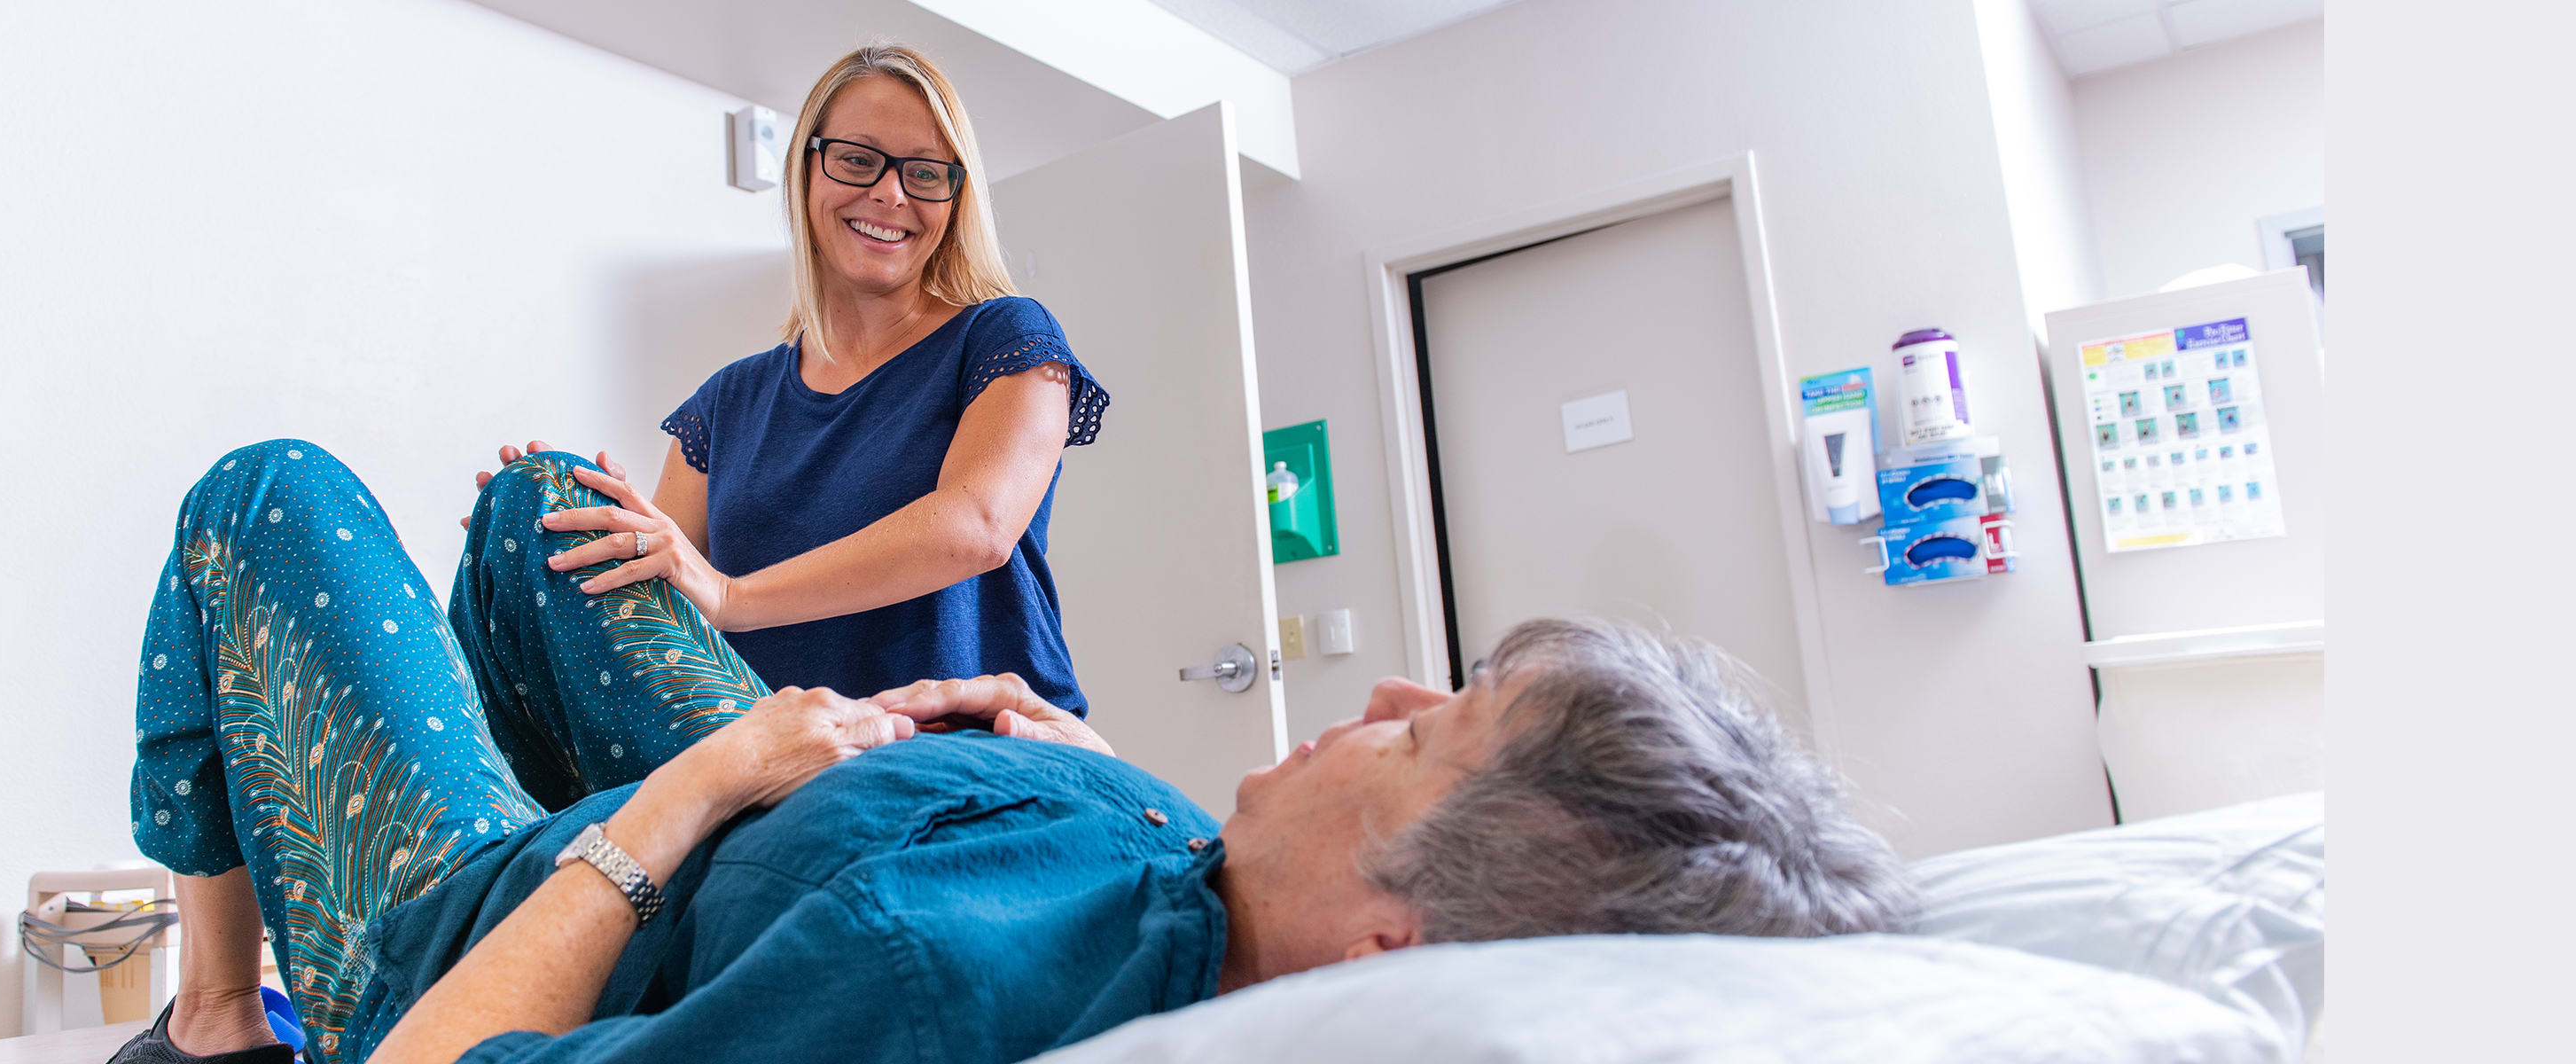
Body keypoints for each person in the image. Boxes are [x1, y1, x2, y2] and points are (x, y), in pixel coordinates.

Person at [124, 442, 1913, 1064]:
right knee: (544, 514)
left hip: (516, 924)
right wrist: (1082, 777)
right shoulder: (1229, 905)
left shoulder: (926, 982)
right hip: (825, 795)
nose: (1379, 701)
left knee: (266, 498)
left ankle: (222, 1018)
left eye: (1429, 732)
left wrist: (692, 792)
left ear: (1394, 941)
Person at [465, 41, 1109, 759]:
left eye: (924, 173)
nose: (891, 193)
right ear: (805, 170)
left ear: (956, 199)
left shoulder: (1005, 337)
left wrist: (734, 596)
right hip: (788, 774)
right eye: (859, 160)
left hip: (979, 750)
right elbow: (662, 602)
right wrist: (551, 536)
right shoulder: (726, 403)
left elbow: (977, 527)